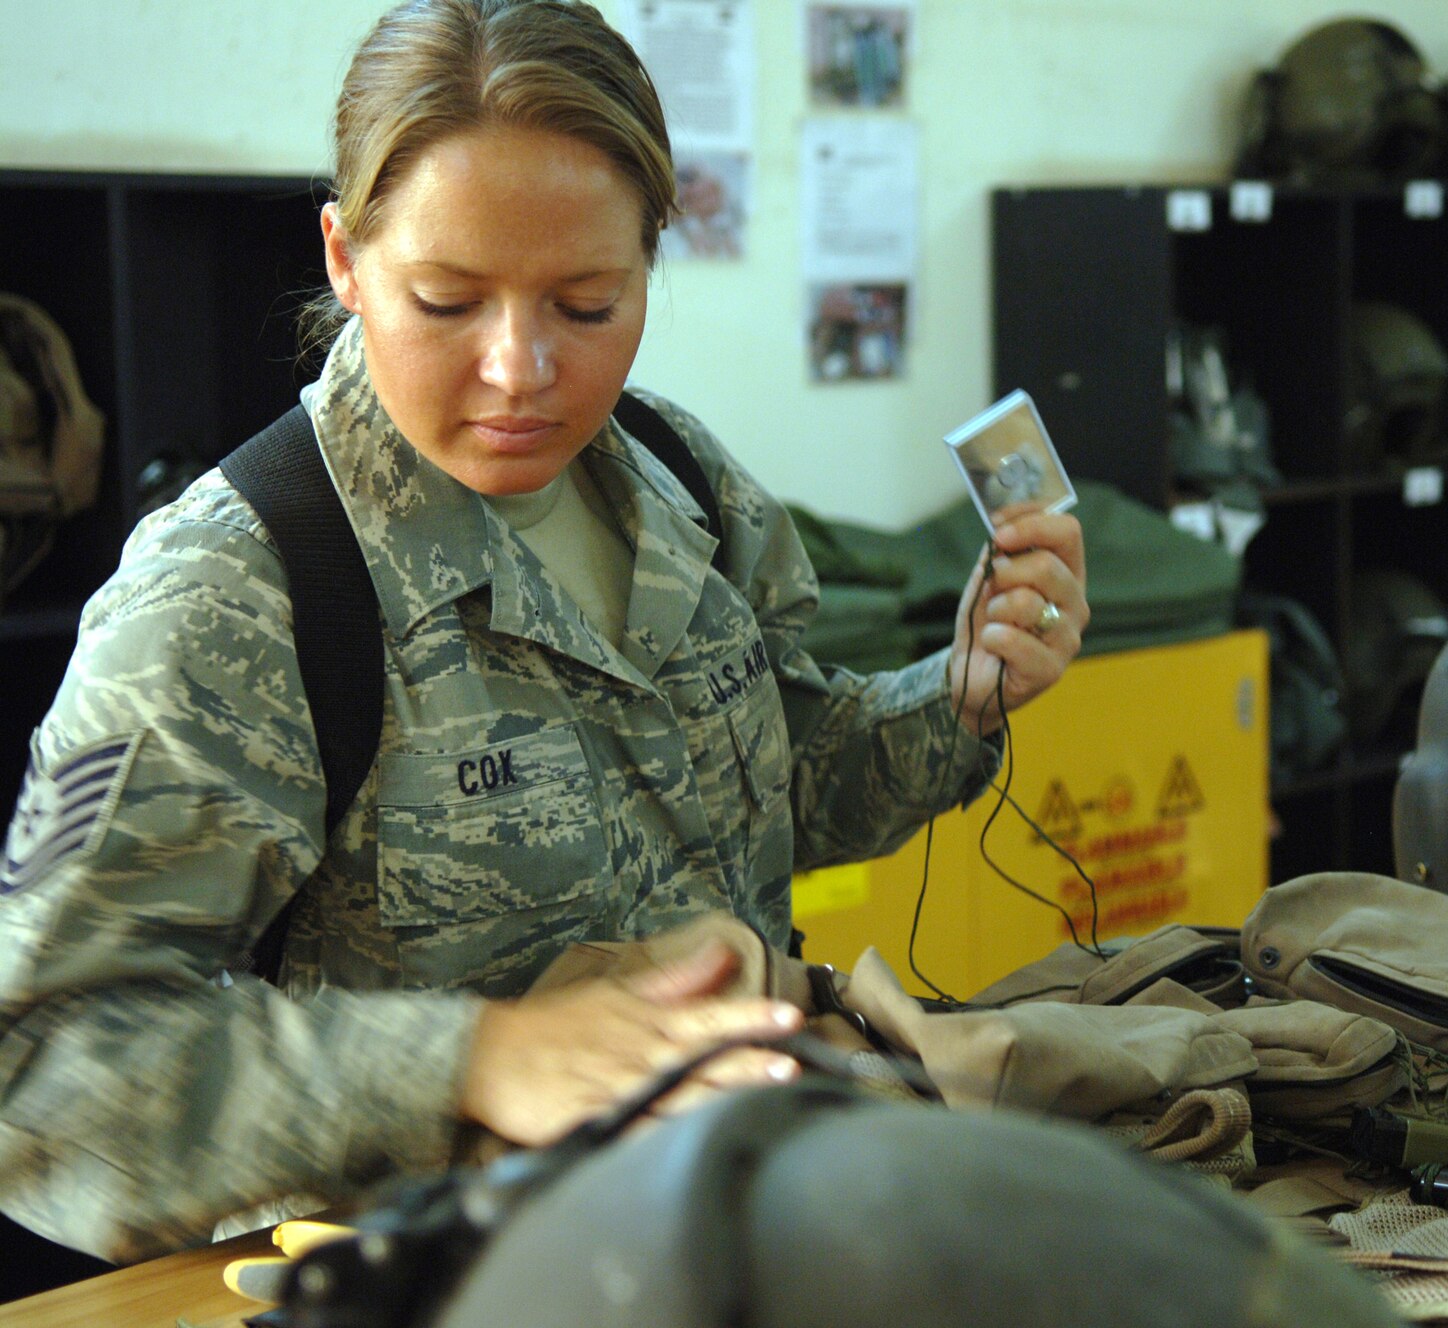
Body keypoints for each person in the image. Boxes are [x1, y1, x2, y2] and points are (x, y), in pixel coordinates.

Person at [0, 0, 1088, 1265]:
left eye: (585, 303)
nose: (520, 369)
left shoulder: (683, 484)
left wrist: (959, 694)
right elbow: (40, 1067)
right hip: (440, 1273)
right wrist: (472, 1059)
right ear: (344, 260)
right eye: (446, 301)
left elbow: (782, 785)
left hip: (735, 1227)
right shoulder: (237, 591)